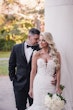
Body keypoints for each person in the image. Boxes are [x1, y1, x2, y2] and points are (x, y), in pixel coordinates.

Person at [27, 32, 62, 110]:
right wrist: (31, 88)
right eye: (39, 40)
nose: (40, 42)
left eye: (43, 40)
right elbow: (33, 71)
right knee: (38, 105)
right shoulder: (36, 54)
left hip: (51, 84)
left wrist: (58, 86)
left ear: (48, 41)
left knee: (51, 106)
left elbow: (58, 71)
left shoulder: (57, 54)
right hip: (38, 84)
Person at [8, 28, 40, 110]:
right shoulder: (16, 48)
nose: (37, 41)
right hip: (19, 84)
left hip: (34, 84)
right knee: (20, 107)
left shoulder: (40, 49)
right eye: (36, 39)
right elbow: (11, 64)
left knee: (35, 107)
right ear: (29, 37)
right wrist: (13, 79)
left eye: (38, 39)